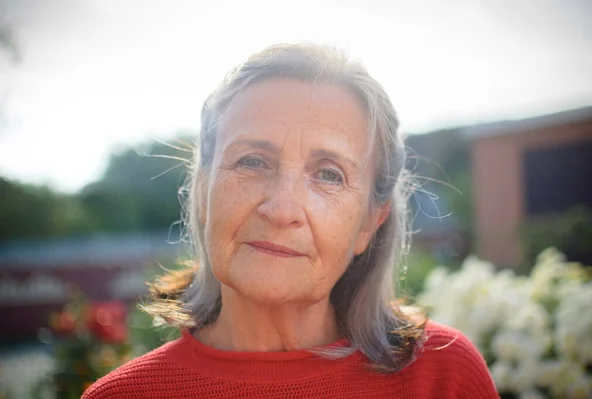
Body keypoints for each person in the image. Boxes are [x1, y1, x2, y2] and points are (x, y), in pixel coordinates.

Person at [82, 43, 498, 398]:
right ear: (204, 191)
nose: (281, 210)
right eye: (252, 161)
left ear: (370, 221)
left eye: (329, 174)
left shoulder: (443, 376)